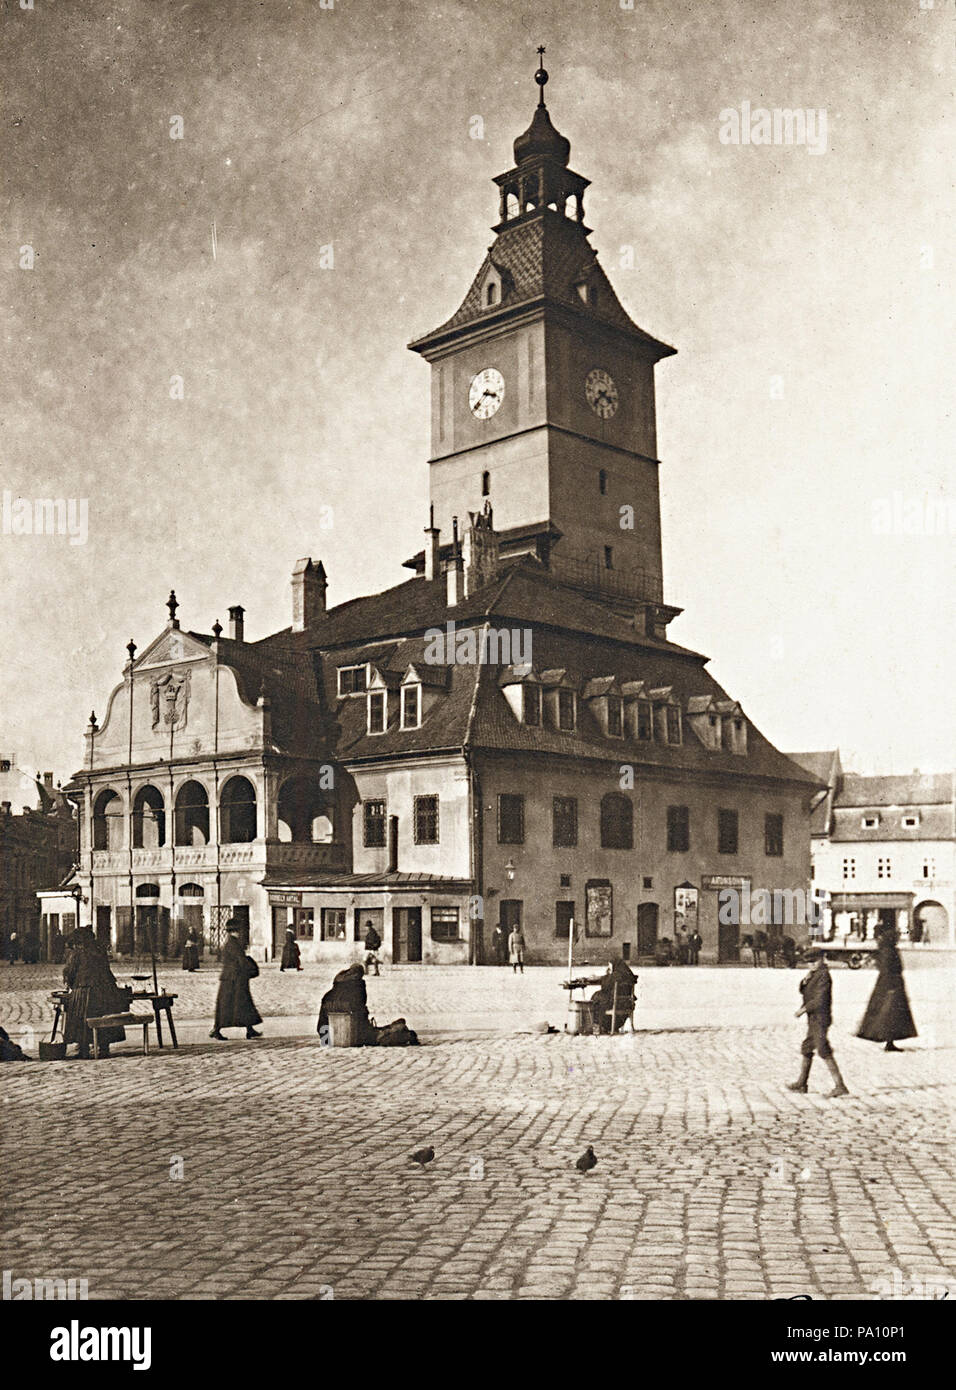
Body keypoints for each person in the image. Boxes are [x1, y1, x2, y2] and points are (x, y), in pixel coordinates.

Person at [788, 947, 848, 1097]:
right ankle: (802, 1083)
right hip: (813, 1018)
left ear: (822, 959)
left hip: (821, 1018)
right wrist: (804, 981)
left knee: (822, 1049)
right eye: (809, 963)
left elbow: (820, 999)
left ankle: (840, 1085)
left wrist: (804, 1009)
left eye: (814, 961)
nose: (812, 965)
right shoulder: (814, 975)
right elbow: (804, 991)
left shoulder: (824, 976)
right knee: (807, 1047)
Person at [62, 926, 129, 1059]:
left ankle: (84, 1049)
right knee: (104, 1015)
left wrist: (70, 984)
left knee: (82, 1018)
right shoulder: (100, 951)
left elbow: (69, 972)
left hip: (84, 991)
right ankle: (104, 1048)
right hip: (106, 991)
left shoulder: (77, 953)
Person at [856, 922, 917, 1053]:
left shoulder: (884, 949)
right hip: (891, 986)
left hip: (885, 985)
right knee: (890, 1014)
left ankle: (888, 1040)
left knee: (886, 1013)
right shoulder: (890, 951)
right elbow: (889, 969)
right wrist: (894, 987)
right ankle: (888, 1041)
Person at [210, 921, 262, 1040]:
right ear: (235, 931)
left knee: (241, 1004)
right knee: (230, 1005)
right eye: (238, 930)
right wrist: (250, 969)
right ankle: (216, 1029)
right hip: (234, 979)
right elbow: (241, 960)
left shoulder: (230, 942)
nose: (240, 932)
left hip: (231, 978)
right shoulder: (234, 944)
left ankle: (250, 1029)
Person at [590, 957, 637, 1034]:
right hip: (626, 1003)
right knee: (599, 996)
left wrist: (607, 974)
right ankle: (610, 1026)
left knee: (595, 997)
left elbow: (606, 986)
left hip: (616, 1003)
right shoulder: (627, 974)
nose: (609, 967)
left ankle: (598, 1025)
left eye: (610, 965)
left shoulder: (616, 975)